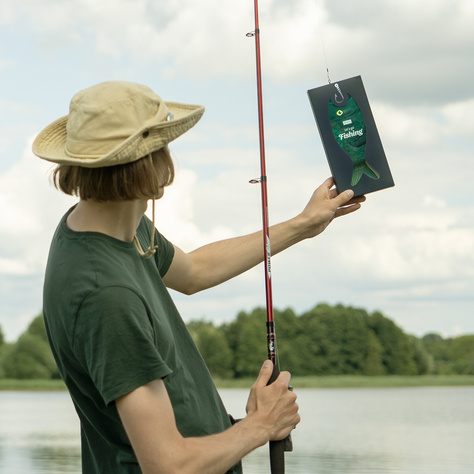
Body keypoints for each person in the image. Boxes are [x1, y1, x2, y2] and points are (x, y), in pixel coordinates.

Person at [33, 81, 365, 474]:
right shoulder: (105, 294)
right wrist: (261, 425)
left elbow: (195, 272)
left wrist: (303, 224)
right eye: (162, 144)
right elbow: (168, 466)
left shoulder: (111, 221)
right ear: (148, 166)